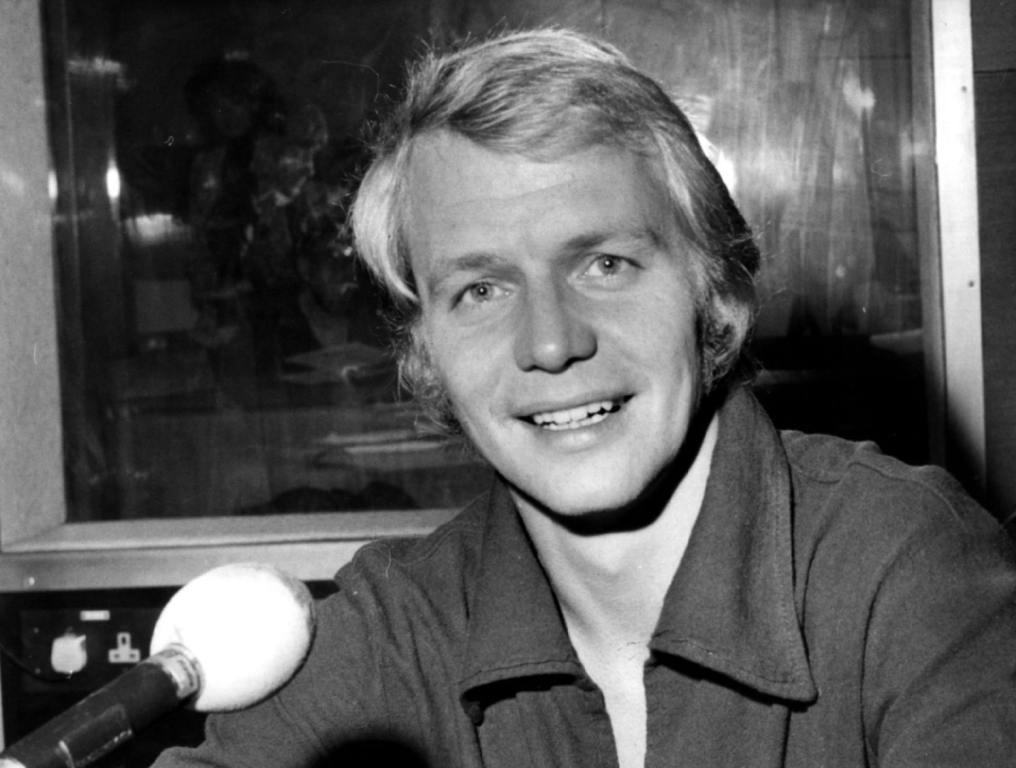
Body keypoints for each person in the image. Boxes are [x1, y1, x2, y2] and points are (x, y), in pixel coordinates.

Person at [155, 28, 1016, 768]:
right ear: (425, 355)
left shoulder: (904, 574)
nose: (552, 342)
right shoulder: (391, 632)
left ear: (714, 291)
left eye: (605, 264)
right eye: (481, 291)